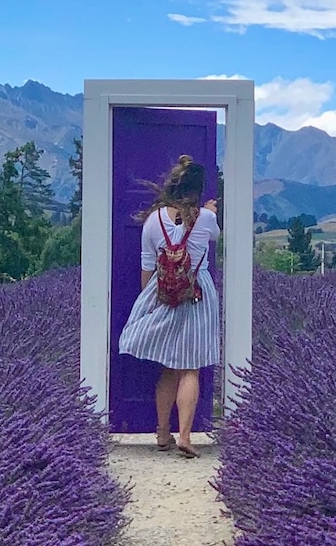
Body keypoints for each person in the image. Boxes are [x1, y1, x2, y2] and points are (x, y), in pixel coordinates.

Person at [118, 154, 220, 459]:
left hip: (164, 293)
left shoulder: (153, 221)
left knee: (168, 367)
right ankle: (185, 436)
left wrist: (149, 301)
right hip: (198, 294)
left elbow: (147, 267)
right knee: (191, 368)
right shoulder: (206, 218)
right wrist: (210, 212)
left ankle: (163, 432)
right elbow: (214, 238)